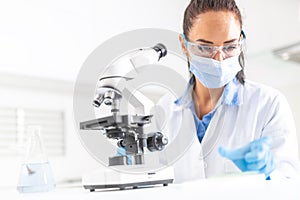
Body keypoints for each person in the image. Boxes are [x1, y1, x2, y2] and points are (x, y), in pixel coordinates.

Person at [157, 0, 300, 183]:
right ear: (184, 44)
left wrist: (269, 173)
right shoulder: (163, 110)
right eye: (205, 47)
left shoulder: (269, 104)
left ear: (241, 42)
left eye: (230, 46)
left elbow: (289, 183)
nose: (219, 59)